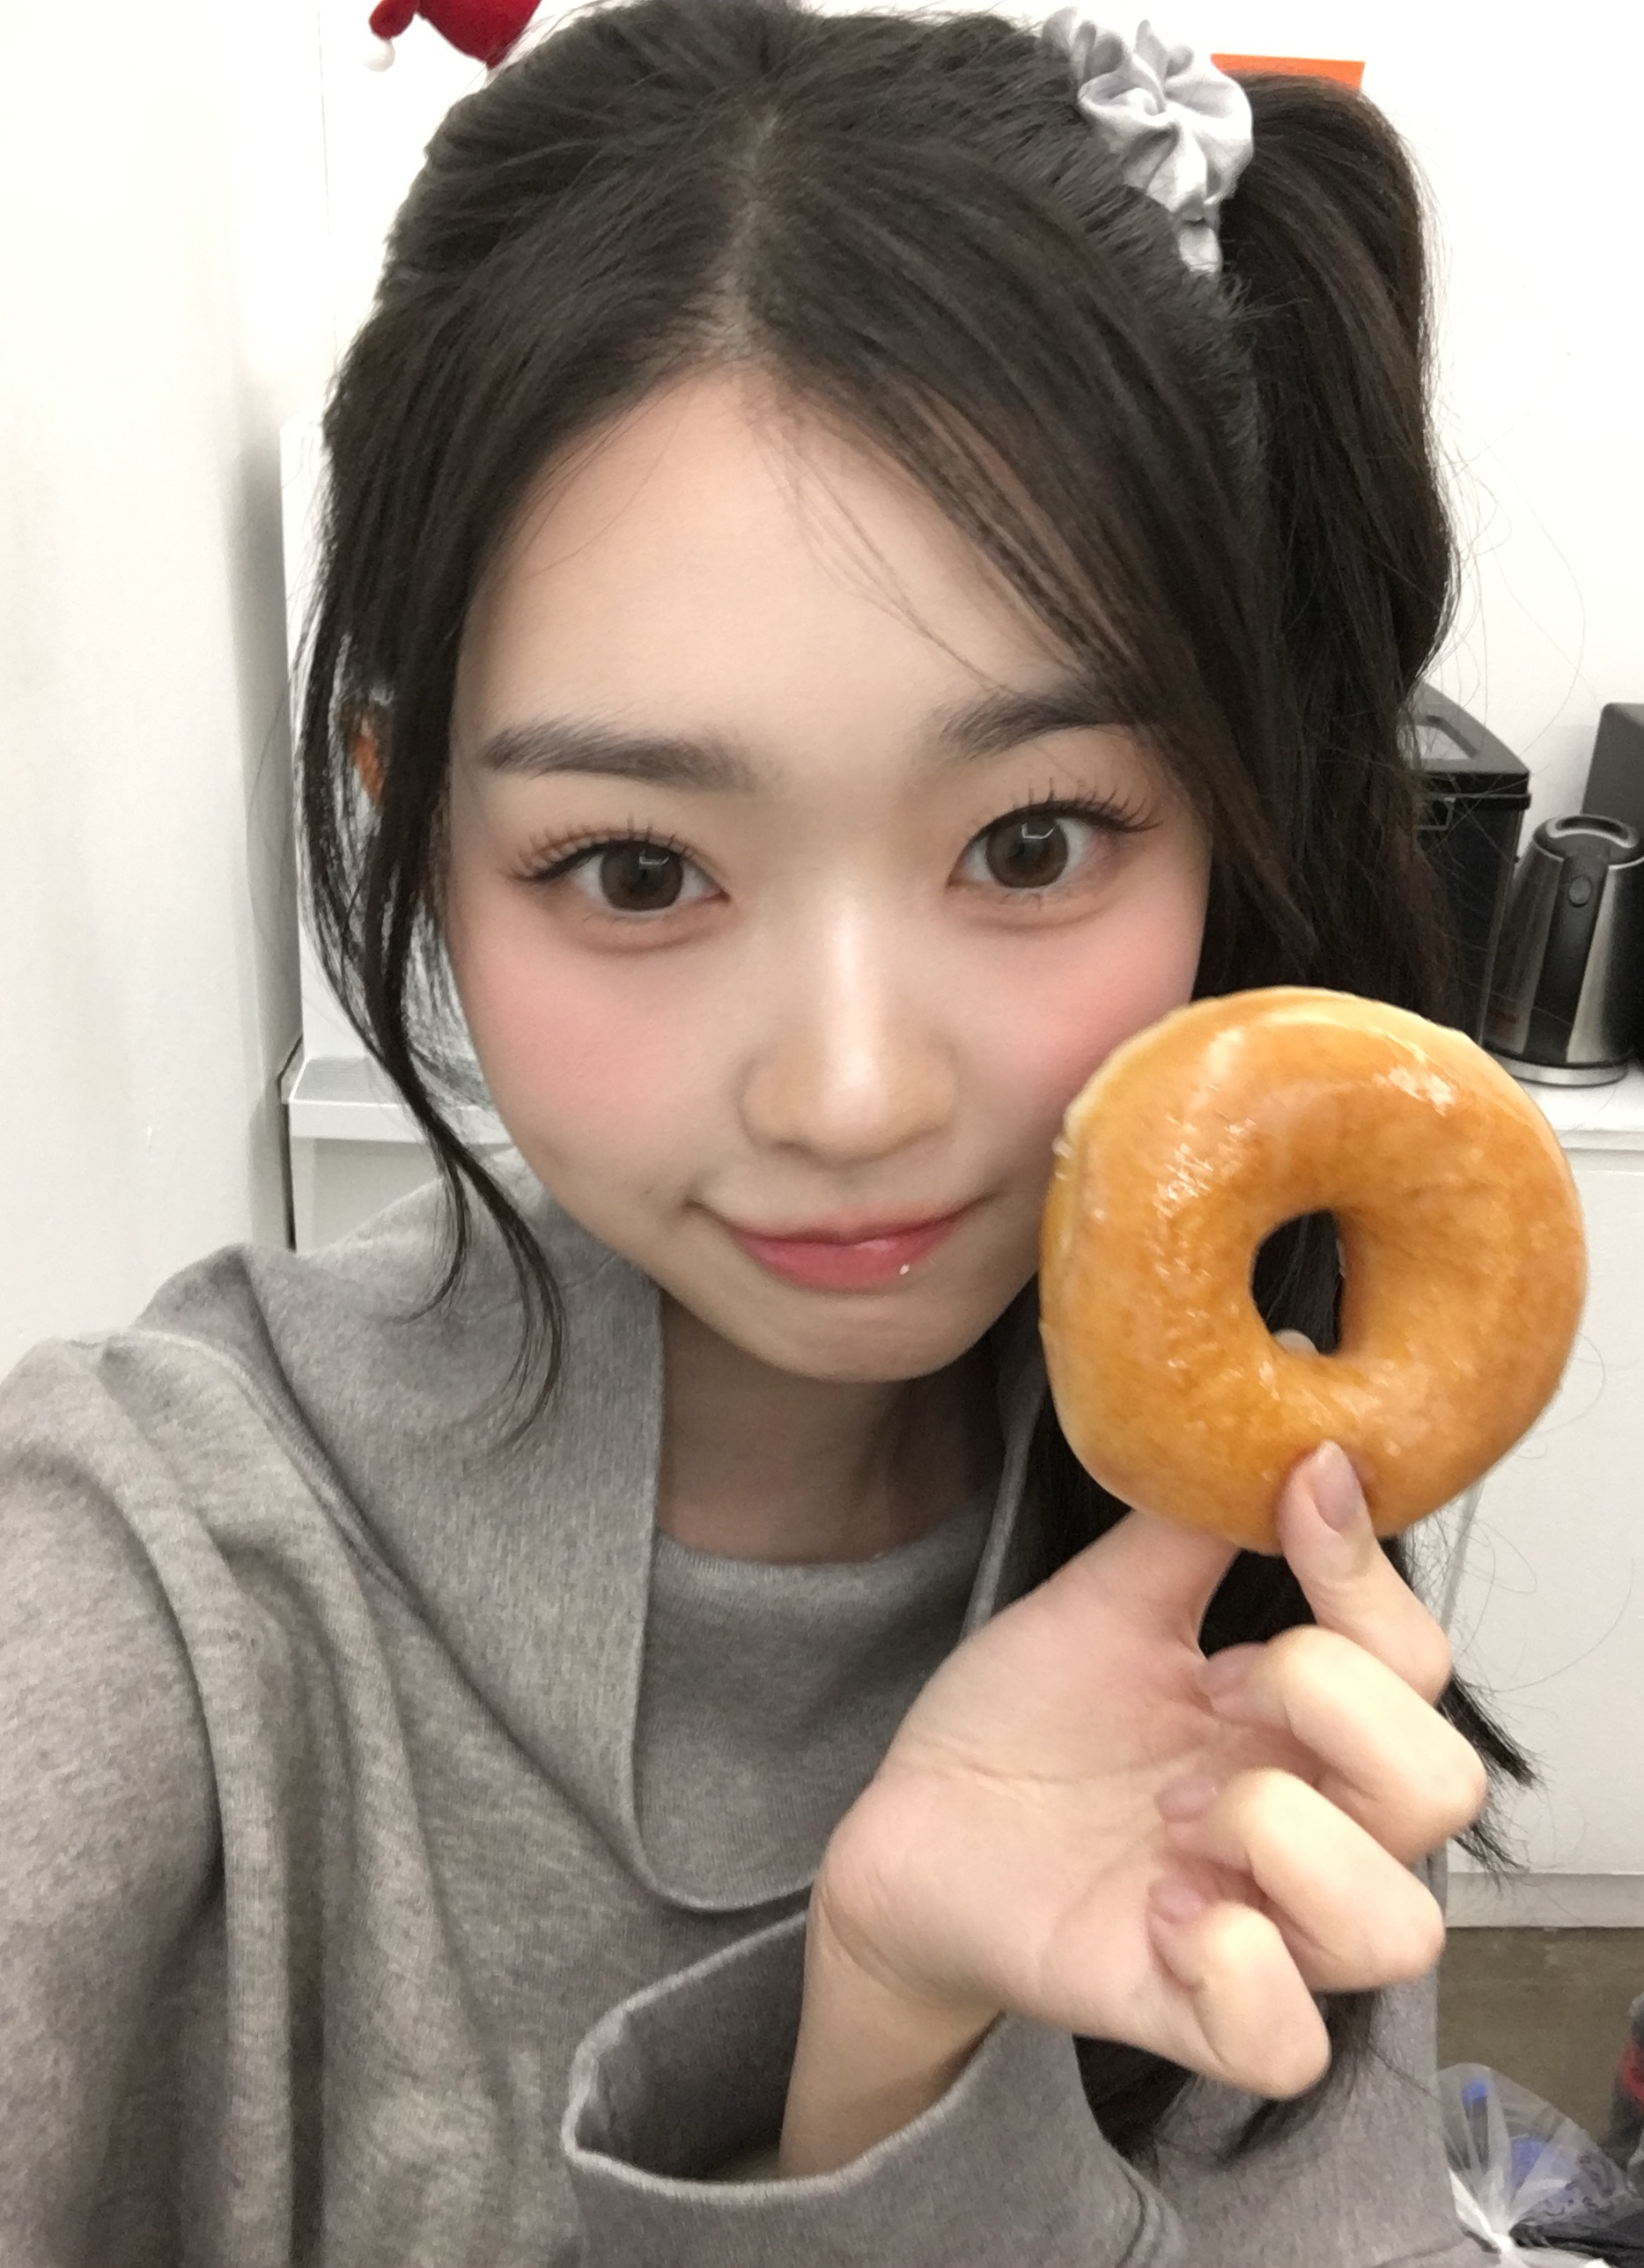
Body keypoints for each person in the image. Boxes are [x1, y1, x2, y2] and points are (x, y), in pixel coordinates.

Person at [0, 2, 1533, 2260]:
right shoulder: (143, 1577)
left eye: (1031, 842)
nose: (851, 1093)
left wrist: (887, 2057)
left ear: (1224, 811)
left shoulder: (1258, 1551)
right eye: (638, 868)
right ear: (413, 823)